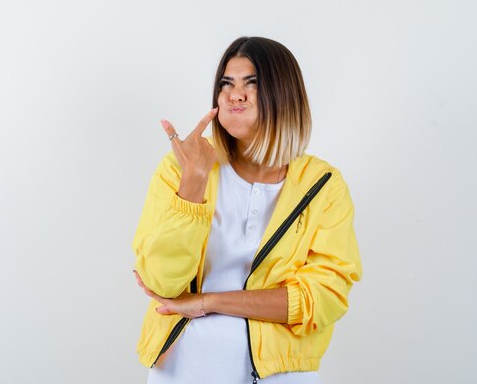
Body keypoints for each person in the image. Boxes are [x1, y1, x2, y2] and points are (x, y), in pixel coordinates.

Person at [131, 36, 362, 384]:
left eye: (251, 84)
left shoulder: (323, 186)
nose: (234, 94)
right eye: (227, 84)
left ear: (284, 95)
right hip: (183, 372)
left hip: (283, 376)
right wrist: (192, 183)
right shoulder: (183, 167)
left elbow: (322, 298)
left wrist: (208, 301)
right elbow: (160, 281)